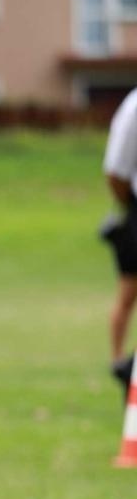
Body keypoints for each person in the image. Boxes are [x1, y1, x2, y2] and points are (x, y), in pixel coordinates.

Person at [102, 86, 137, 389]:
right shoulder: (134, 107)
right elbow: (116, 171)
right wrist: (128, 206)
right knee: (128, 291)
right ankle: (119, 363)